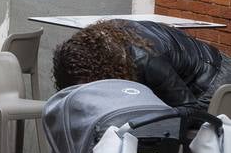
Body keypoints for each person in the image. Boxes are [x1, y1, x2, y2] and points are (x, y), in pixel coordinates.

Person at [53, 20, 231, 111]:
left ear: (98, 71)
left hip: (212, 85)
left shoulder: (144, 59)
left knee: (151, 131)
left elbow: (186, 108)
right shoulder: (100, 43)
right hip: (188, 79)